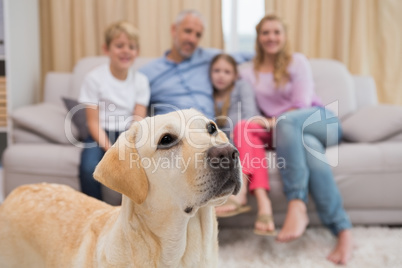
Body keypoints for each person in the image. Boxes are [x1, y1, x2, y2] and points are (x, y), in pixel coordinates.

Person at [240, 14, 353, 265]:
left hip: (320, 121)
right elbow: (226, 63)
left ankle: (296, 202)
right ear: (258, 38)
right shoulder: (249, 72)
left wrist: (271, 122)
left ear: (285, 36)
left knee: (287, 121)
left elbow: (301, 104)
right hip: (293, 135)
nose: (271, 37)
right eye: (265, 32)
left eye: (276, 32)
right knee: (310, 150)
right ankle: (343, 231)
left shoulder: (297, 61)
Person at [78, 21, 150, 200]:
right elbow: (93, 122)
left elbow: (138, 119)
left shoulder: (141, 81)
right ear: (106, 49)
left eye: (131, 47)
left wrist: (127, 146)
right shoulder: (94, 78)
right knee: (89, 168)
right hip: (100, 133)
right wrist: (111, 150)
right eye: (119, 46)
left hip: (128, 134)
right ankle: (93, 209)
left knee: (143, 168)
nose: (126, 50)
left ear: (137, 52)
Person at [139, 9, 253, 119]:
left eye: (198, 35)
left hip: (208, 130)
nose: (192, 39)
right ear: (174, 30)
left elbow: (243, 56)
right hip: (173, 130)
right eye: (188, 31)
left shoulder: (209, 58)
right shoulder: (147, 73)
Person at [210, 54, 276, 236]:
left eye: (226, 71)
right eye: (216, 71)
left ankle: (242, 191)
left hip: (259, 127)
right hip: (246, 139)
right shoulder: (211, 95)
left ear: (234, 75)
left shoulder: (241, 87)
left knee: (242, 128)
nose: (221, 75)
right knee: (251, 144)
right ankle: (264, 205)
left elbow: (249, 116)